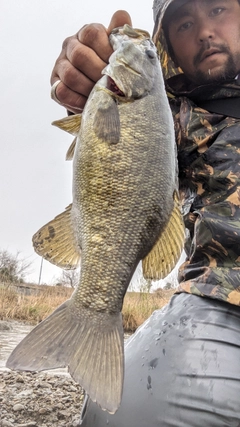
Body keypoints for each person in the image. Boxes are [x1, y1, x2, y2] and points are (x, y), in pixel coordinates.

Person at [50, 1, 240, 425]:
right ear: (166, 42)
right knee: (118, 411)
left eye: (218, 9)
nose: (205, 31)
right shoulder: (171, 113)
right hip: (221, 300)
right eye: (185, 22)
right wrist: (88, 79)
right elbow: (116, 136)